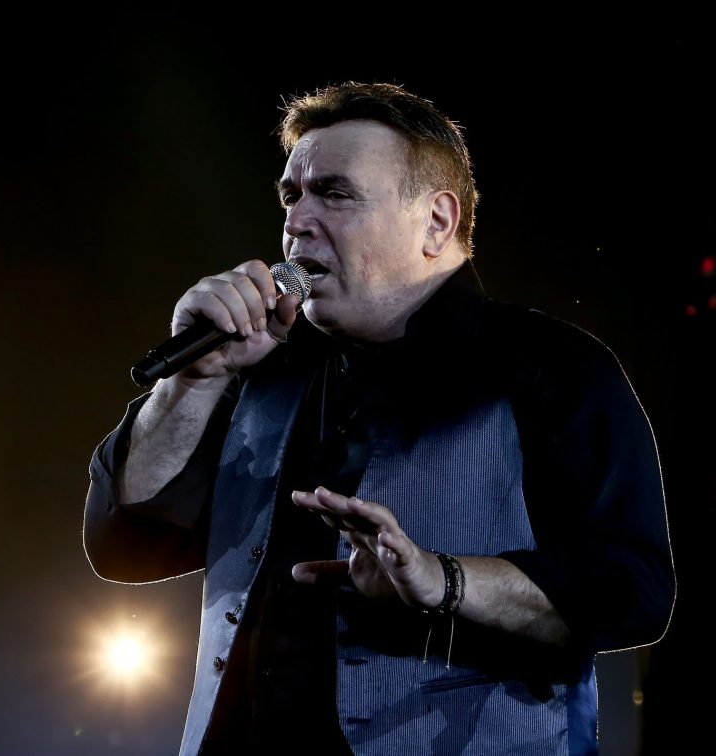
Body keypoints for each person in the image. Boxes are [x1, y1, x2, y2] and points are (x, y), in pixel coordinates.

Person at [82, 82, 675, 756]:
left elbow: (634, 592)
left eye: (335, 194)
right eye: (291, 196)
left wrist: (443, 580)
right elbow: (124, 546)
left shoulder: (555, 368)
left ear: (437, 222)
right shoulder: (259, 367)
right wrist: (191, 381)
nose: (298, 222)